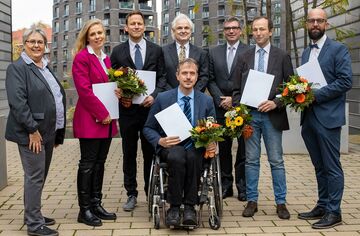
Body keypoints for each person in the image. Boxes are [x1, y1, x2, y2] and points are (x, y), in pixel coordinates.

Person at [5, 27, 65, 236]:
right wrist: (32, 129)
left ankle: (33, 213)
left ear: (45, 46)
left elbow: (56, 97)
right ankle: (34, 224)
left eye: (40, 42)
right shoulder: (18, 68)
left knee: (40, 175)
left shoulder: (45, 67)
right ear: (24, 44)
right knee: (35, 177)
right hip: (33, 134)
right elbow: (18, 103)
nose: (36, 45)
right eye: (32, 42)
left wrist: (58, 132)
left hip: (47, 132)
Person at [232, 16, 293, 219]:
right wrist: (241, 109)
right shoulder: (244, 56)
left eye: (262, 29)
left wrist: (275, 102)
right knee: (251, 161)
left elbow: (291, 88)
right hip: (250, 117)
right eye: (255, 30)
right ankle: (252, 201)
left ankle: (281, 203)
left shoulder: (282, 56)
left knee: (276, 160)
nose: (258, 33)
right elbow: (235, 89)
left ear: (270, 31)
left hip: (272, 115)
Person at [143, 58, 216, 227]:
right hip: (171, 146)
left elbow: (214, 128)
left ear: (197, 77)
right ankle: (174, 207)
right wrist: (160, 140)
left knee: (192, 157)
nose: (188, 77)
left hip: (195, 147)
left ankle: (190, 207)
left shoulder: (206, 101)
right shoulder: (162, 98)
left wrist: (212, 141)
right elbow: (148, 128)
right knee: (177, 156)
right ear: (177, 76)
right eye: (184, 73)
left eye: (192, 73)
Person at [297, 8, 352, 229]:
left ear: (326, 24)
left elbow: (345, 81)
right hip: (309, 118)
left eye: (320, 21)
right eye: (311, 21)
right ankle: (322, 204)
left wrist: (314, 95)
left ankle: (334, 211)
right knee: (318, 166)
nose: (315, 24)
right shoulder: (305, 52)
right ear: (307, 24)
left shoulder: (339, 49)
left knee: (331, 166)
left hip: (328, 117)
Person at [110, 10, 166, 212]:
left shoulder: (156, 50)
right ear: (126, 27)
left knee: (150, 152)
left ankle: (150, 191)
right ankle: (131, 194)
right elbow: (112, 80)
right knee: (129, 153)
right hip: (127, 111)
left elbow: (162, 78)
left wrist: (155, 95)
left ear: (144, 26)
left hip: (150, 110)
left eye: (139, 23)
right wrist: (118, 92)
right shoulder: (117, 52)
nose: (136, 26)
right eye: (132, 23)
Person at [72, 19, 119, 227]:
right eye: (93, 34)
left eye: (101, 33)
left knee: (100, 163)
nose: (98, 36)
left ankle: (96, 204)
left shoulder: (106, 59)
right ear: (87, 37)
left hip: (107, 120)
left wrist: (117, 91)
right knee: (88, 164)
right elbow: (84, 90)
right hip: (91, 119)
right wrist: (102, 112)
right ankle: (84, 210)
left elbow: (107, 87)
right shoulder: (82, 58)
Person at [208, 16, 249, 201]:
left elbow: (251, 79)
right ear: (223, 31)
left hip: (242, 107)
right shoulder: (214, 52)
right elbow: (210, 78)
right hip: (220, 108)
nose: (231, 31)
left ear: (240, 30)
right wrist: (220, 99)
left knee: (243, 149)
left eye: (234, 28)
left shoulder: (250, 51)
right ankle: (226, 185)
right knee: (223, 149)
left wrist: (234, 99)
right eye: (227, 28)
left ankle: (242, 186)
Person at [162, 13, 208, 92]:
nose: (183, 31)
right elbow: (161, 77)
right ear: (173, 31)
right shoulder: (163, 51)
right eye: (179, 28)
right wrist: (173, 95)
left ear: (191, 31)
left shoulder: (201, 53)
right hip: (169, 99)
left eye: (186, 28)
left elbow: (204, 78)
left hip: (193, 99)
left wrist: (191, 94)